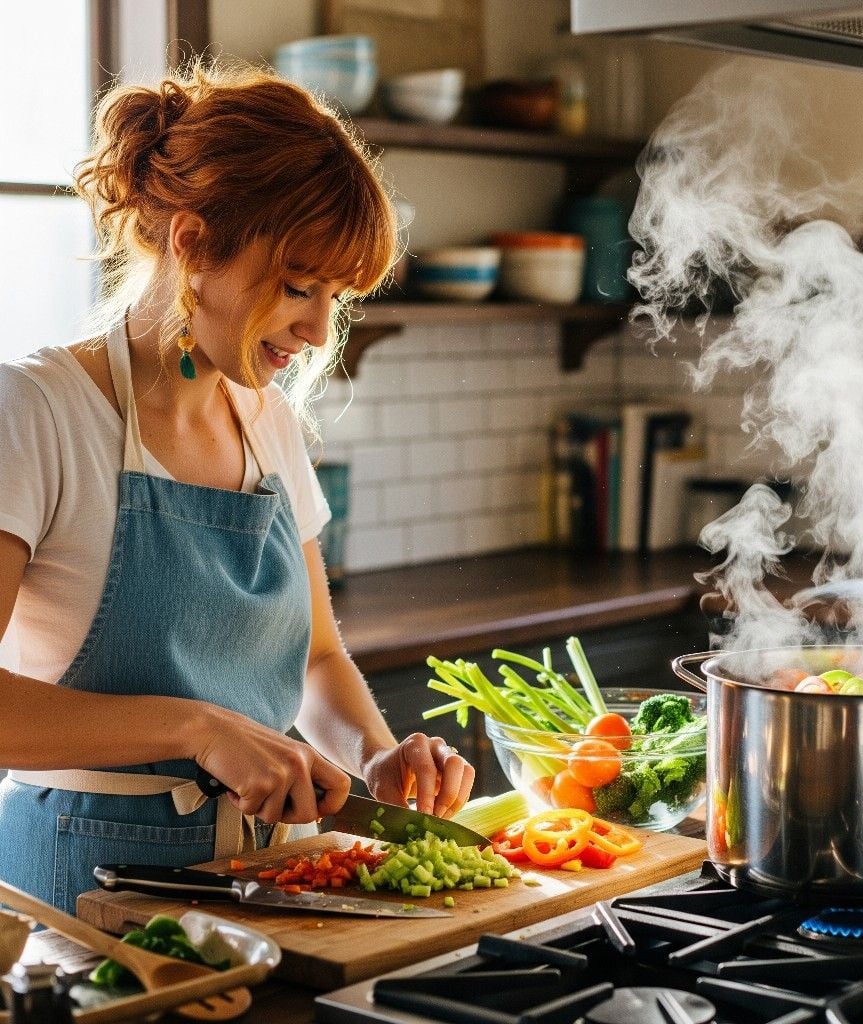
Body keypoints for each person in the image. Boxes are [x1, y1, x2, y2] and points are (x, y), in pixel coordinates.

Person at [0, 62, 474, 914]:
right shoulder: (36, 411)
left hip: (270, 886)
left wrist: (376, 756)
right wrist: (198, 726)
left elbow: (319, 658)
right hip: (80, 898)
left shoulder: (269, 424)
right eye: (299, 285)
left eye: (338, 296)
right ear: (192, 244)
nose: (318, 328)